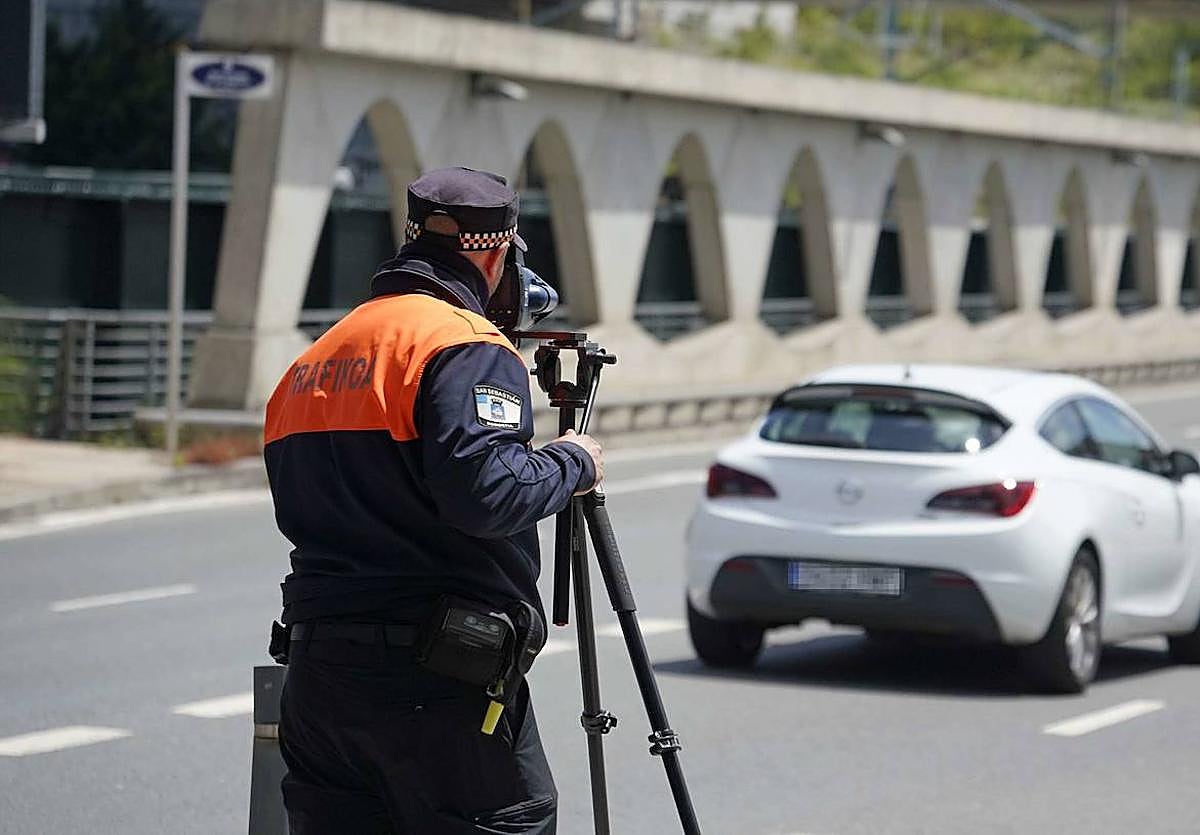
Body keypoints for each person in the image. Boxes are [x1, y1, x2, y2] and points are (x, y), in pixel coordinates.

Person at [262, 167, 603, 834]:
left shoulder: (315, 360)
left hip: (319, 677)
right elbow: (490, 492)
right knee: (514, 818)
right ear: (495, 251)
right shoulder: (464, 343)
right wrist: (573, 461)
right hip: (438, 684)